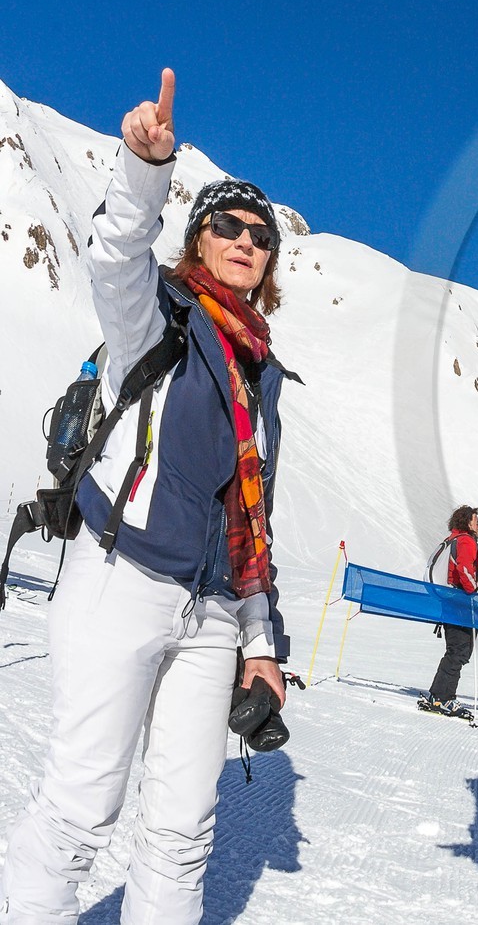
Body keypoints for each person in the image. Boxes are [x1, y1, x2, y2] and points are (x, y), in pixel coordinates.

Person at [0, 70, 294, 924]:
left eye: (260, 233)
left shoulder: (262, 373)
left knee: (179, 830)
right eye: (227, 225)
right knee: (81, 809)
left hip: (208, 617)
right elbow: (115, 257)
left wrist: (260, 641)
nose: (244, 239)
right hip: (119, 582)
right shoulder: (155, 320)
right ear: (200, 239)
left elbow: (253, 524)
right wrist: (143, 172)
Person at [419, 505, 478, 720]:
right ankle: (442, 697)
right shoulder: (466, 541)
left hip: (452, 602)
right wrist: (473, 595)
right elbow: (465, 570)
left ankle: (439, 695)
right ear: (467, 522)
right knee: (459, 651)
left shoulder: (453, 539)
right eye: (476, 522)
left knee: (457, 650)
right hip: (461, 603)